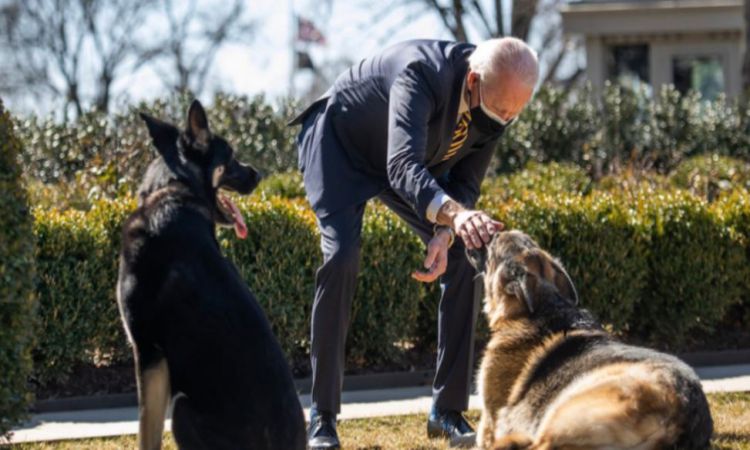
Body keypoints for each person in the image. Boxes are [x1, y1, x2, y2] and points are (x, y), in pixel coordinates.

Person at [290, 37, 539, 449]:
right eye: (498, 109)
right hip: (340, 146)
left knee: (464, 254)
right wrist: (455, 215)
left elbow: (466, 182)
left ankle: (446, 411)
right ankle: (322, 417)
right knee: (341, 258)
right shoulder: (421, 73)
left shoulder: (499, 98)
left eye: (513, 113)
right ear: (474, 81)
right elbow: (402, 164)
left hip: (403, 163)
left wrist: (446, 232)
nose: (503, 120)